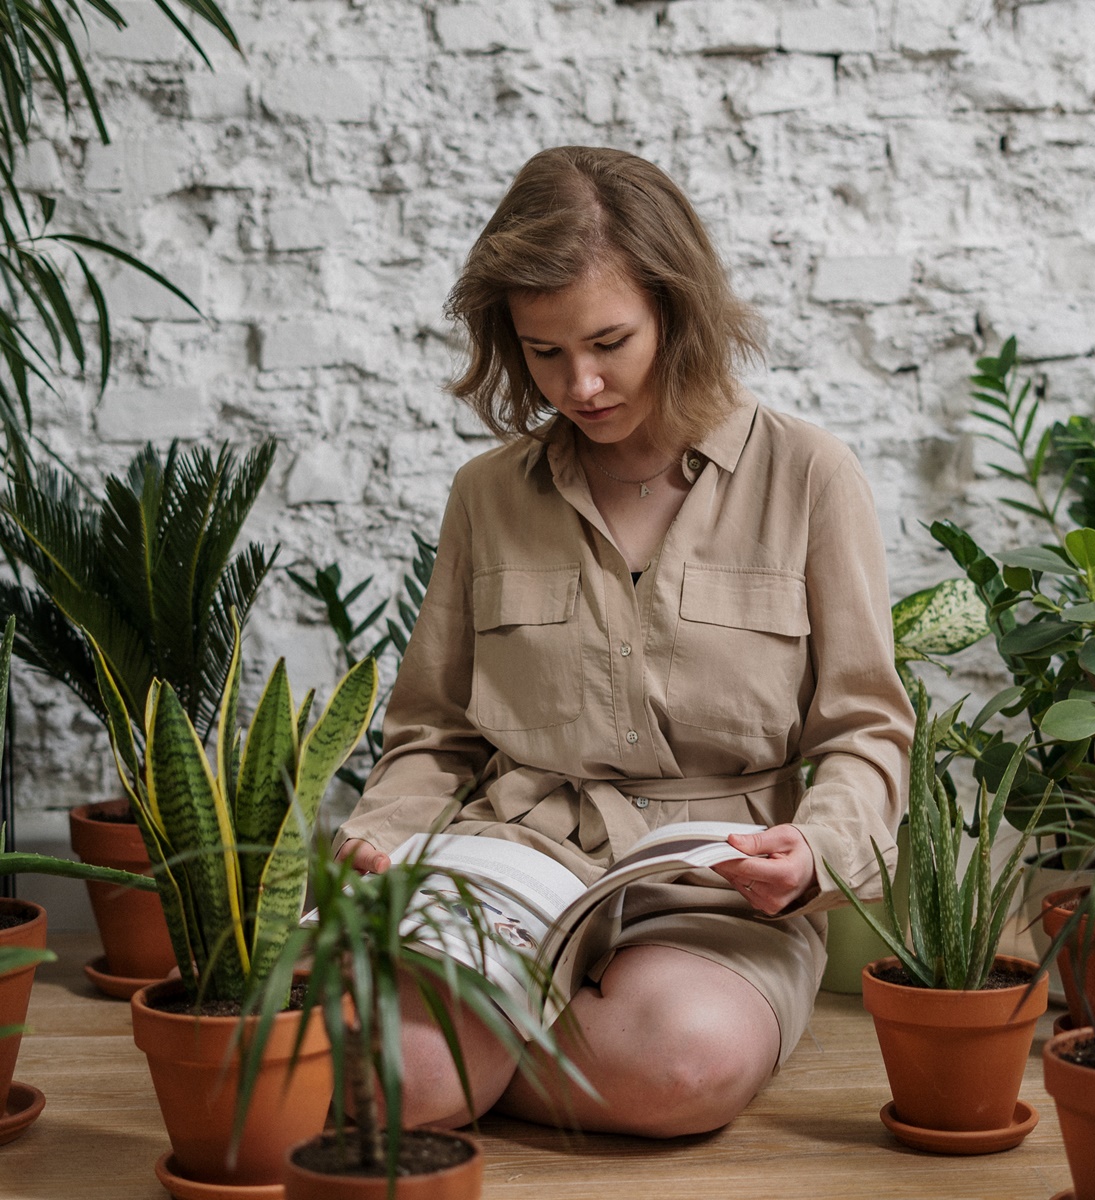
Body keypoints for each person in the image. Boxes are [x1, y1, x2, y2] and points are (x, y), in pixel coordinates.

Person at [335, 145, 914, 1138]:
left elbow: (865, 729)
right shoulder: (488, 494)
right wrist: (381, 833)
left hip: (715, 889)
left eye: (610, 340)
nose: (582, 384)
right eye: (545, 351)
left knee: (677, 1062)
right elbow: (435, 731)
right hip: (511, 861)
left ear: (679, 314)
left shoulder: (811, 476)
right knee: (401, 1078)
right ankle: (465, 1054)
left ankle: (487, 1052)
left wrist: (813, 852)